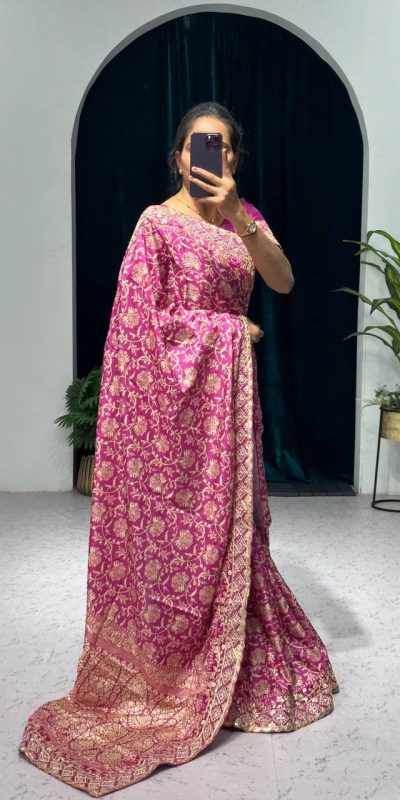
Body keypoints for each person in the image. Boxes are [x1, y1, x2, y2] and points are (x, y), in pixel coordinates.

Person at [19, 102, 339, 797]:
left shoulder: (244, 220)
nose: (209, 156)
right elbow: (139, 329)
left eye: (222, 146)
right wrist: (228, 331)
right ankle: (169, 656)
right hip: (176, 413)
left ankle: (234, 645)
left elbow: (282, 280)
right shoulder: (155, 225)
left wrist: (241, 217)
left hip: (230, 405)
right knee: (178, 536)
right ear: (177, 157)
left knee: (240, 530)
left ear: (235, 158)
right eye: (199, 145)